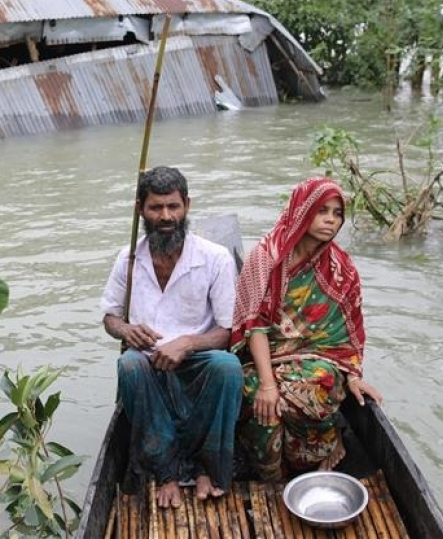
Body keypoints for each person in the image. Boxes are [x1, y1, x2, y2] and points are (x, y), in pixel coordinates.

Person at [100, 166, 243, 509]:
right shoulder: (128, 258)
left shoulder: (215, 258)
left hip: (198, 358)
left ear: (187, 206)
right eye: (156, 208)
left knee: (228, 368)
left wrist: (187, 343)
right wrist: (126, 329)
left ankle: (208, 468)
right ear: (141, 209)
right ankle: (166, 471)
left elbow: (226, 331)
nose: (166, 216)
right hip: (149, 359)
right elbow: (109, 317)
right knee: (129, 365)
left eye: (173, 207)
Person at [231, 177, 383, 482]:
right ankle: (272, 477)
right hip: (263, 358)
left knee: (321, 385)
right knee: (254, 398)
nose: (330, 220)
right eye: (321, 210)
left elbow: (348, 330)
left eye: (337, 213)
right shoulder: (266, 256)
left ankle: (315, 454)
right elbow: (254, 325)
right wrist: (267, 384)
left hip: (317, 360)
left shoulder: (342, 269)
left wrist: (353, 375)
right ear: (302, 210)